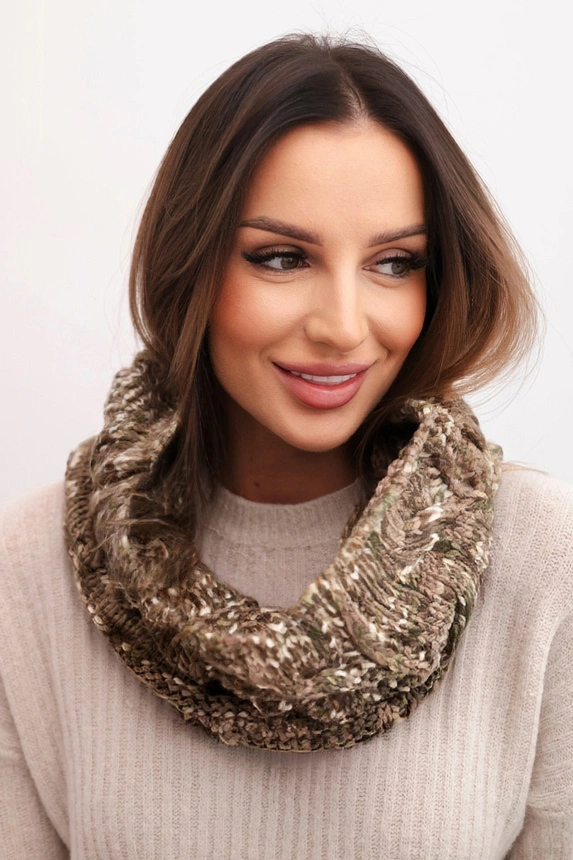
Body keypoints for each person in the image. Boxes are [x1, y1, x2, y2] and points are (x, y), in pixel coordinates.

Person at [1, 32, 572, 860]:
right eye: (281, 257)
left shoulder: (544, 558)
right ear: (189, 266)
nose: (342, 325)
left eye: (394, 263)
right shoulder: (27, 567)